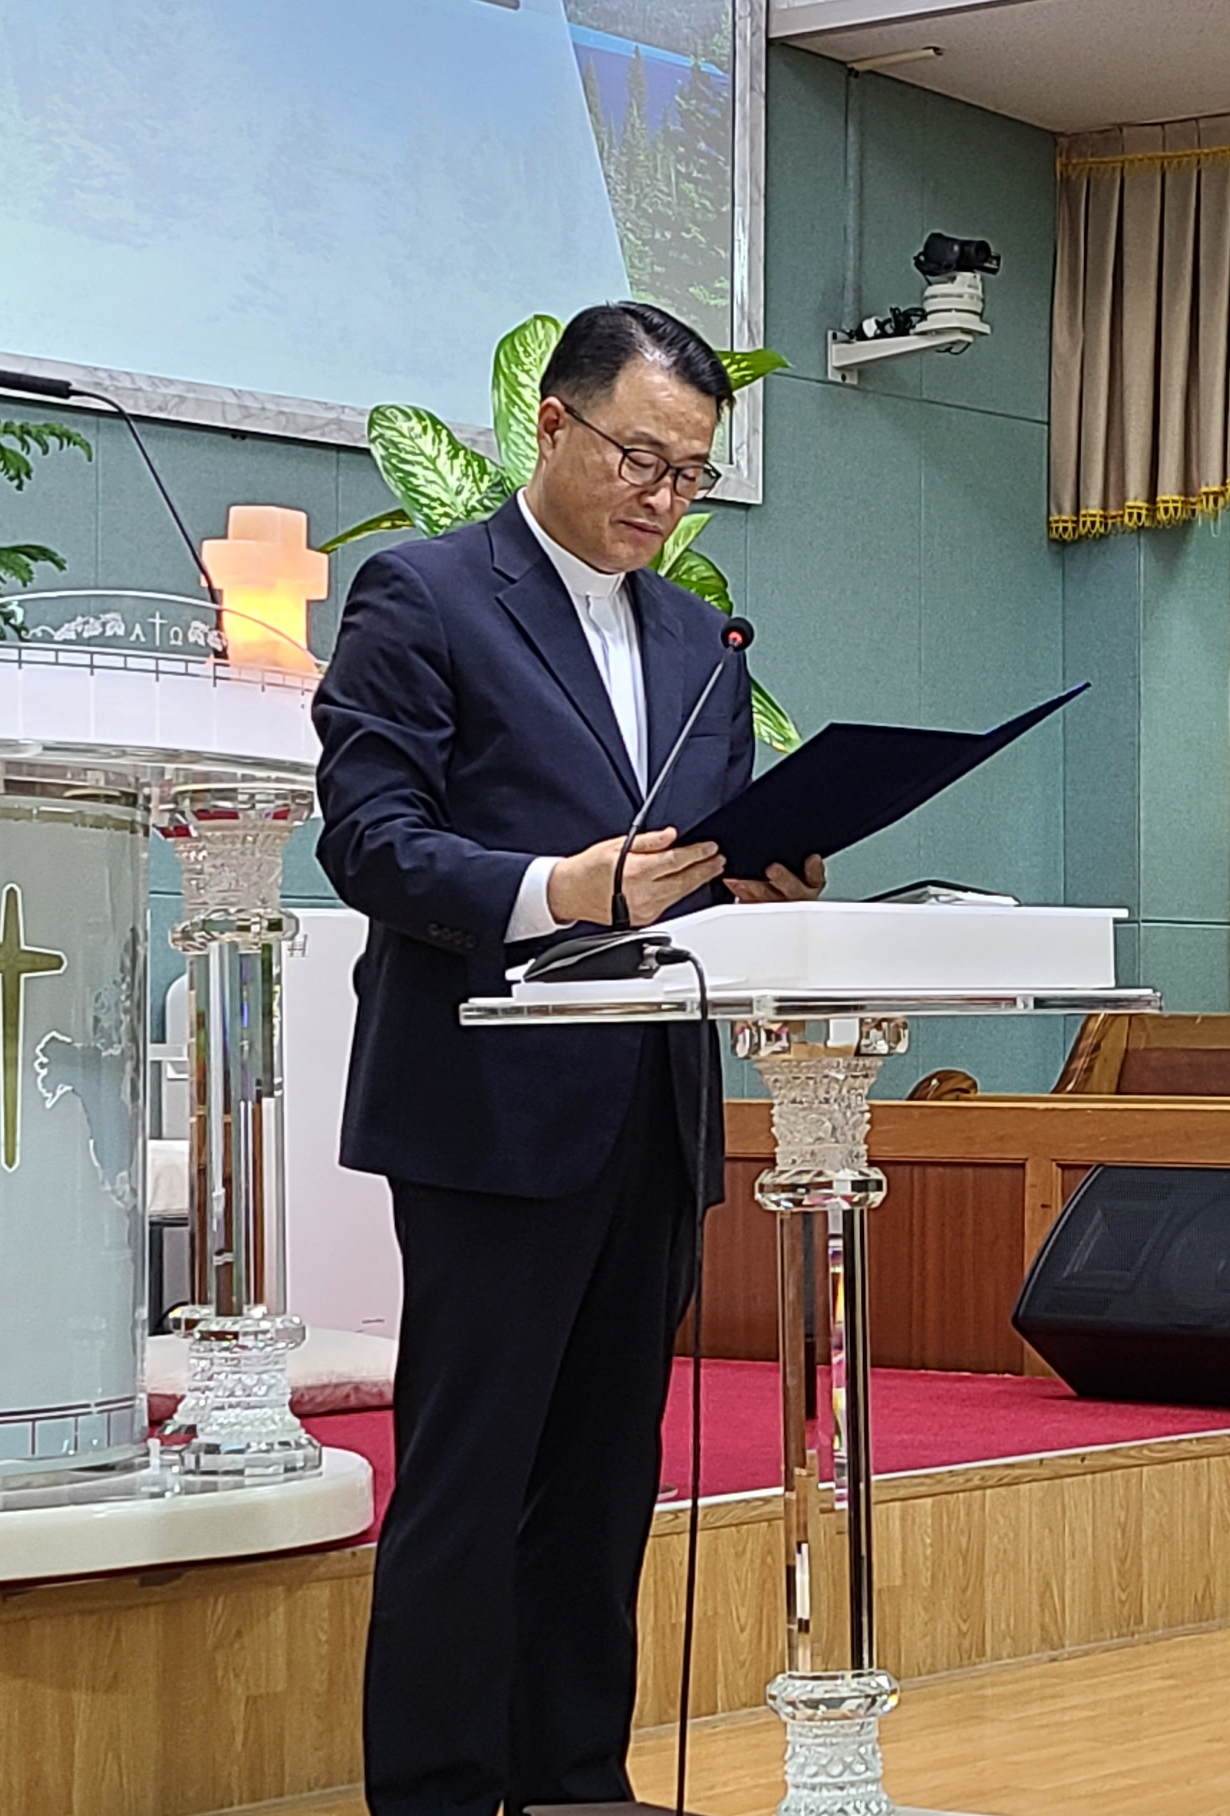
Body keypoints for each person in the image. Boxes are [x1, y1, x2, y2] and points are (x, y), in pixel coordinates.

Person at [315, 300, 820, 1816]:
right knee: (471, 1479)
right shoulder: (424, 595)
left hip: (650, 1106)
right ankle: (437, 1791)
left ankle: (577, 1782)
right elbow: (371, 843)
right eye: (641, 458)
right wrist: (562, 889)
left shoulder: (699, 639)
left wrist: (765, 883)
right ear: (554, 424)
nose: (665, 497)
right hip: (488, 1103)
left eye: (692, 473)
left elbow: (692, 868)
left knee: (607, 1478)